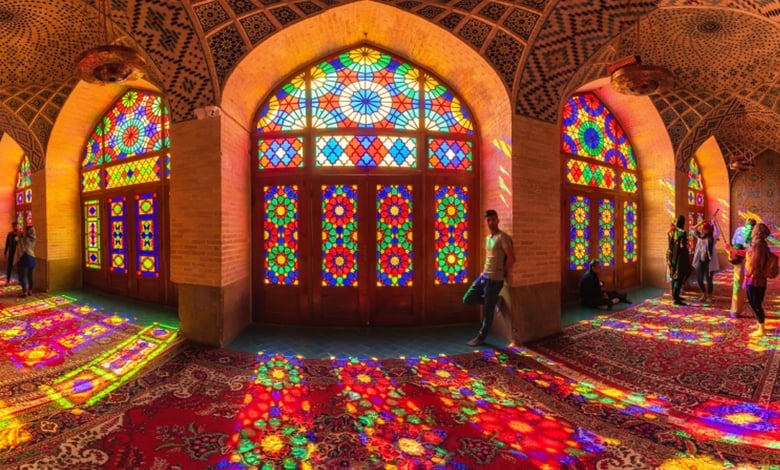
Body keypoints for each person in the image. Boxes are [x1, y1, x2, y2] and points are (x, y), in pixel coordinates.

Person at [463, 209, 515, 347]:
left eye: (493, 219)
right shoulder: (488, 239)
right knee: (467, 298)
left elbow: (511, 258)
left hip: (494, 279)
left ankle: (481, 337)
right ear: (486, 222)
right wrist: (483, 273)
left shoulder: (503, 237)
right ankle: (495, 301)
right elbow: (489, 258)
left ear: (498, 220)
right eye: (488, 220)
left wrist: (502, 273)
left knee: (487, 311)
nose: (491, 222)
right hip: (484, 276)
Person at [744, 223, 771, 336]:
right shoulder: (763, 244)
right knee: (757, 302)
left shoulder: (757, 244)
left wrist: (748, 274)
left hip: (754, 279)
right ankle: (760, 324)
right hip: (761, 279)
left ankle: (761, 328)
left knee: (754, 302)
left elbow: (754, 262)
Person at [725, 218, 756, 318]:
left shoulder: (739, 230)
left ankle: (735, 310)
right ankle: (742, 303)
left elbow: (734, 242)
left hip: (739, 259)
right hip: (749, 261)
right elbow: (749, 249)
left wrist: (731, 249)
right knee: (745, 282)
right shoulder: (754, 234)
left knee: (737, 283)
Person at [691, 220, 719, 302]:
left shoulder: (712, 238)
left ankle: (709, 295)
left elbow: (717, 233)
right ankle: (703, 293)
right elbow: (692, 229)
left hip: (709, 261)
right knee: (699, 278)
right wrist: (700, 223)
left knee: (709, 279)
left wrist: (714, 223)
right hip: (700, 259)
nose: (702, 230)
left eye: (704, 229)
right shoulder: (699, 236)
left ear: (708, 229)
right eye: (701, 228)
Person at [666, 215, 691, 305]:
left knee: (674, 277)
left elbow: (670, 246)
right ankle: (676, 299)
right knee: (679, 278)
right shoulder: (682, 232)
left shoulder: (670, 232)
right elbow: (683, 247)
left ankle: (675, 295)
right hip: (680, 258)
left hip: (672, 256)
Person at [17, 222, 36, 297]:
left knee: (22, 276)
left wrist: (20, 236)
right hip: (32, 258)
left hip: (25, 257)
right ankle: (30, 290)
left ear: (27, 230)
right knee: (30, 275)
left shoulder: (24, 237)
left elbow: (19, 244)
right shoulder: (34, 238)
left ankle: (24, 291)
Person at [3, 221, 20, 285]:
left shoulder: (20, 234)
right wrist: (5, 252)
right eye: (14, 225)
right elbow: (7, 243)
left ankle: (20, 280)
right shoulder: (10, 234)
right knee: (9, 266)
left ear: (18, 226)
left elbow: (22, 243)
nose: (15, 227)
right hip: (11, 252)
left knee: (19, 266)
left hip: (17, 252)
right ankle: (8, 280)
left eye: (16, 225)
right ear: (12, 226)